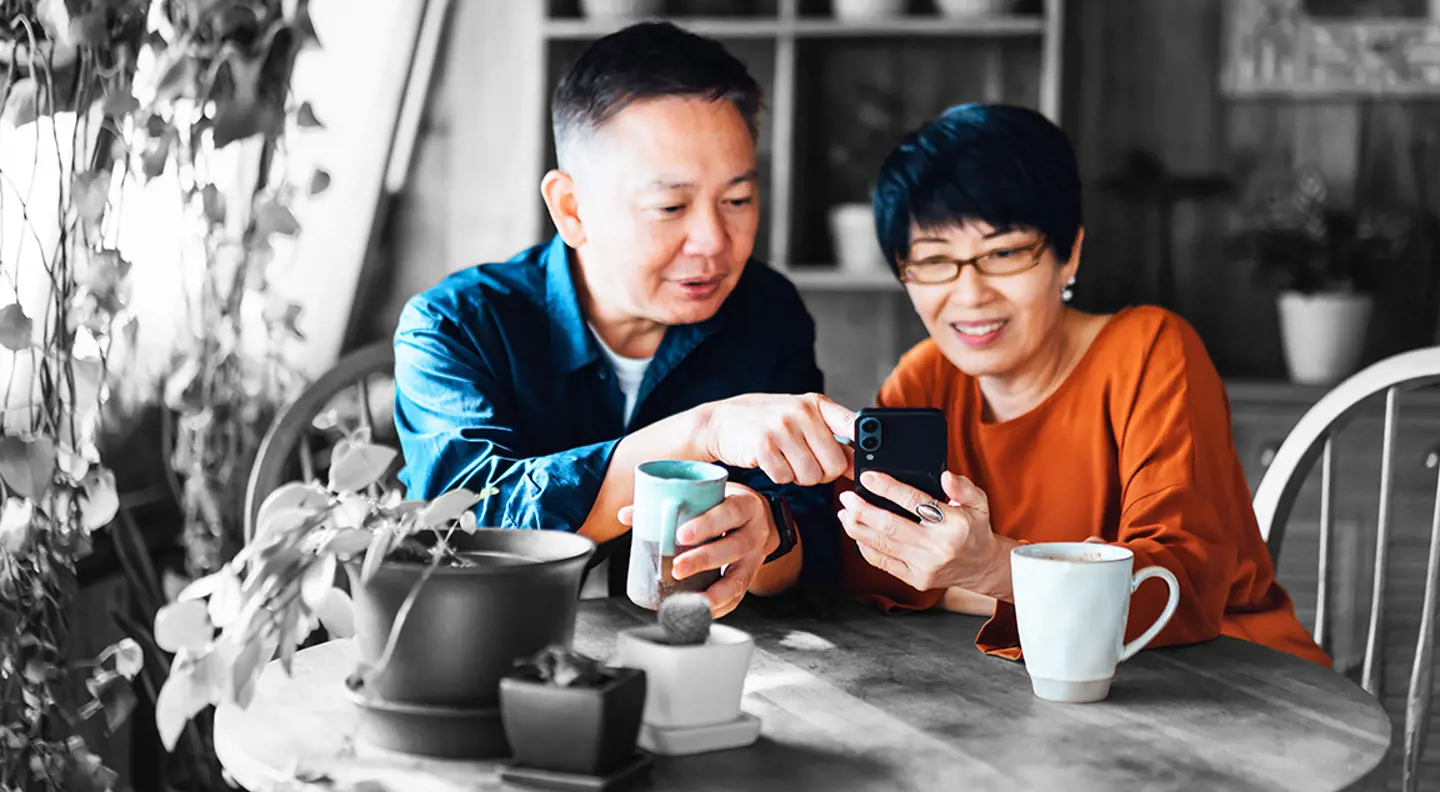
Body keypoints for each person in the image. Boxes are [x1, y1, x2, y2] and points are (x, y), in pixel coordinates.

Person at [835, 103, 1329, 666]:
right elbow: (869, 563)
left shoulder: (1151, 352)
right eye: (933, 261)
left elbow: (1175, 583)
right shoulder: (925, 377)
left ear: (1068, 252)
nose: (969, 294)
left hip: (1226, 680)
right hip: (1048, 690)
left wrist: (993, 570)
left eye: (1003, 253)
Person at [391, 21, 854, 617]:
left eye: (737, 199)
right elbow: (471, 525)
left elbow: (813, 532)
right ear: (571, 208)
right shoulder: (454, 325)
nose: (714, 241)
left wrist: (763, 535)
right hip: (492, 654)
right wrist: (700, 434)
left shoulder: (765, 312)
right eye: (670, 206)